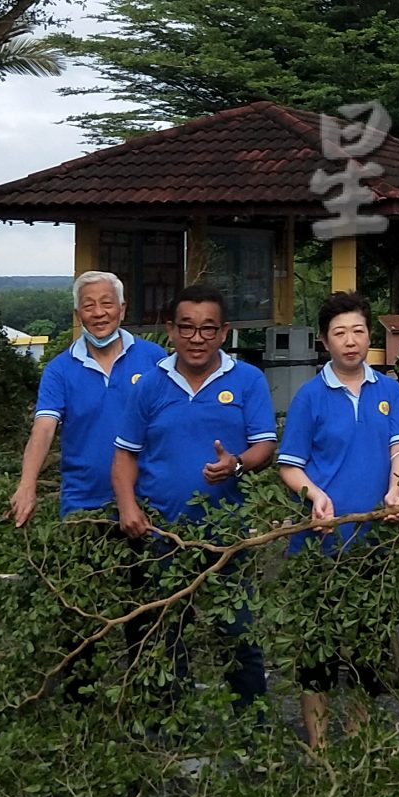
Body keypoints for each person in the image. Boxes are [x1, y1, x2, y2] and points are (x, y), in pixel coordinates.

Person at [111, 286, 277, 707]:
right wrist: (128, 506)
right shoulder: (149, 385)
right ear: (171, 330)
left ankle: (251, 727)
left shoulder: (247, 380)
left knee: (237, 630)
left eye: (208, 329)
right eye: (187, 327)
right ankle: (169, 727)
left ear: (223, 332)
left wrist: (237, 463)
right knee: (163, 631)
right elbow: (125, 456)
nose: (197, 337)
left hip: (227, 534)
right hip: (160, 533)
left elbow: (264, 447)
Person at [275, 291, 399, 749]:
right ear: (324, 341)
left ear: (368, 335)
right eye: (340, 333)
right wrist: (314, 495)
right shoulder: (311, 397)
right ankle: (320, 750)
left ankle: (359, 742)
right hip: (320, 546)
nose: (350, 341)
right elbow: (289, 465)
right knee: (318, 651)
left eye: (358, 331)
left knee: (369, 650)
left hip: (375, 542)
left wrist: (396, 489)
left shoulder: (388, 390)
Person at [9, 270, 139, 528]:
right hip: (83, 503)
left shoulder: (154, 360)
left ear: (122, 309)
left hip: (146, 499)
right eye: (88, 306)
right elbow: (44, 429)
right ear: (79, 315)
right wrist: (27, 484)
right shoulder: (59, 370)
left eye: (107, 303)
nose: (99, 313)